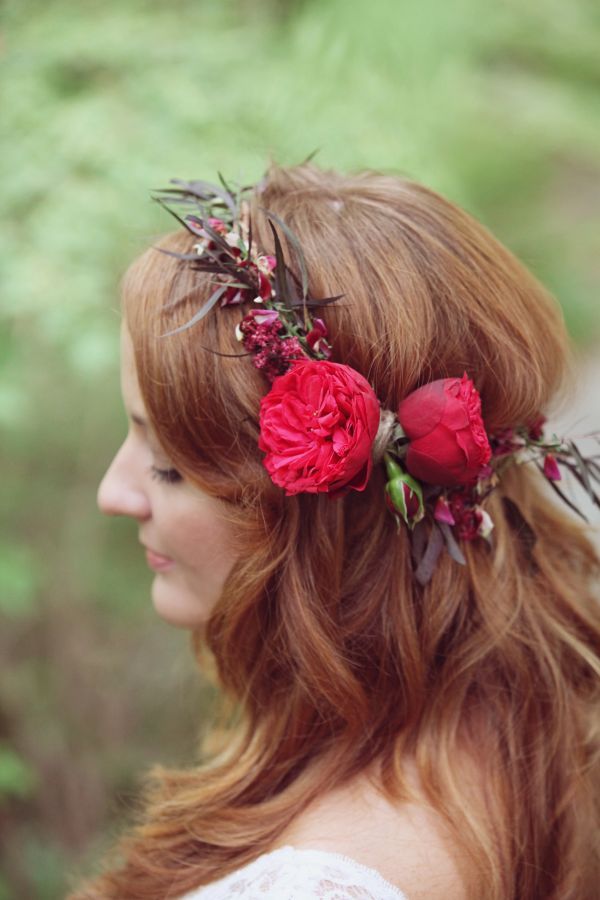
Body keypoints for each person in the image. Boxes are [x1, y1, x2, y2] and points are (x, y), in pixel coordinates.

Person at [72, 163, 599, 899]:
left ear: (321, 506)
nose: (112, 493)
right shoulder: (531, 711)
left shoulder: (320, 882)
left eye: (168, 466)